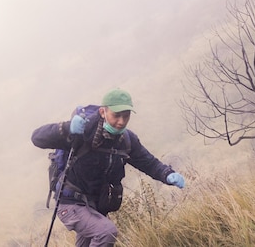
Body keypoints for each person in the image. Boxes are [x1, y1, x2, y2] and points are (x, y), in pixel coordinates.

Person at [31, 88, 185, 247]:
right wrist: (67, 127)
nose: (121, 122)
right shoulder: (82, 131)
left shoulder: (126, 140)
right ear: (103, 112)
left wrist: (167, 174)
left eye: (126, 116)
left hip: (95, 207)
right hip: (70, 202)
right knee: (105, 232)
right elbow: (37, 137)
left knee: (95, 238)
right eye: (116, 115)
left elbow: (148, 162)